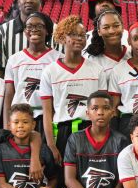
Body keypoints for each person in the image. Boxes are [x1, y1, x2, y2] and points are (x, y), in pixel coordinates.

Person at [40, 16, 105, 167]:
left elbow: (102, 108)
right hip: (63, 131)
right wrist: (51, 144)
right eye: (73, 34)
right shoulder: (49, 72)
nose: (79, 38)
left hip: (90, 129)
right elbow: (48, 112)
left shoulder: (97, 70)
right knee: (63, 179)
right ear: (62, 37)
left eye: (82, 35)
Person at [1, 11, 57, 128]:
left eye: (39, 26)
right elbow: (9, 95)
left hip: (47, 117)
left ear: (47, 30)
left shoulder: (57, 58)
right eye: (29, 26)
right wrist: (7, 126)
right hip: (20, 118)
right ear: (25, 31)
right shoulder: (14, 59)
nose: (34, 29)